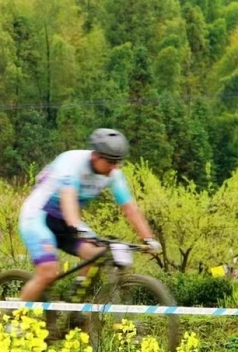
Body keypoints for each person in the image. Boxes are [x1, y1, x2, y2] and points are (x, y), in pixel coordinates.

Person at [17, 128, 161, 301]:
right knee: (48, 271)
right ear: (96, 156)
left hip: (66, 221)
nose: (114, 167)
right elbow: (68, 198)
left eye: (118, 162)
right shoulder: (72, 162)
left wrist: (148, 239)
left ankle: (76, 303)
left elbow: (129, 208)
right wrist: (77, 226)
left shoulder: (113, 173)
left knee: (97, 253)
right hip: (38, 217)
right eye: (110, 162)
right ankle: (14, 320)